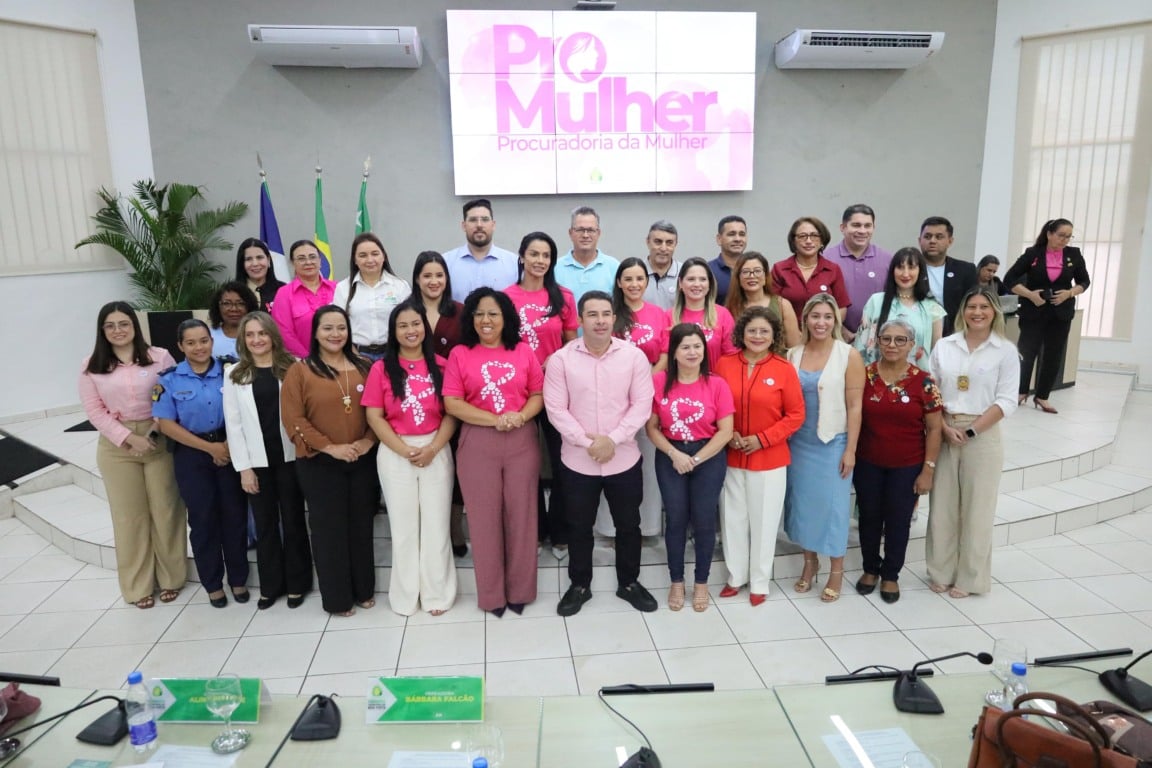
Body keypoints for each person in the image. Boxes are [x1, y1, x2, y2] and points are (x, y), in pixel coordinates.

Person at [546, 291, 658, 617]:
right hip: (578, 462)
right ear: (580, 320)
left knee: (629, 525)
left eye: (605, 314)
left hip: (623, 459)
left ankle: (629, 583)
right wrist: (588, 441)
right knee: (579, 526)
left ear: (614, 318)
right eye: (592, 314)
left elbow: (641, 405)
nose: (600, 320)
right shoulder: (561, 360)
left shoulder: (634, 357)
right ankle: (579, 585)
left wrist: (613, 439)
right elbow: (556, 409)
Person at [443, 288, 544, 617]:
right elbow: (453, 403)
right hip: (478, 443)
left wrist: (520, 416)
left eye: (494, 314)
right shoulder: (461, 353)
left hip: (521, 439)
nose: (486, 320)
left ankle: (521, 591)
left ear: (506, 318)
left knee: (522, 516)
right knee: (484, 520)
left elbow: (537, 393)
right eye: (479, 314)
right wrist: (494, 419)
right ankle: (491, 596)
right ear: (471, 319)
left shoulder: (524, 351)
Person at [78, 302, 186, 609]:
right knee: (130, 518)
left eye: (123, 323)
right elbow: (94, 411)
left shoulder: (159, 356)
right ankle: (138, 586)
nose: (117, 330)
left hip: (159, 437)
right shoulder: (91, 365)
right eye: (110, 325)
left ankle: (171, 579)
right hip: (117, 448)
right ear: (102, 331)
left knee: (167, 511)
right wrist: (127, 437)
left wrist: (152, 431)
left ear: (134, 326)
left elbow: (171, 392)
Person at [280, 306, 379, 616]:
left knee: (361, 527)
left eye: (341, 327)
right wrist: (331, 448)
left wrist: (366, 441)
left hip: (362, 459)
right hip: (319, 464)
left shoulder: (365, 366)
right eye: (328, 329)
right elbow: (293, 419)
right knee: (329, 532)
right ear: (316, 333)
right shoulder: (300, 370)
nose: (336, 334)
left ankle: (364, 589)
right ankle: (337, 599)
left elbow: (379, 410)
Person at [364, 303, 458, 616]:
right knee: (403, 528)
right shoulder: (381, 368)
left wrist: (432, 448)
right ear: (394, 332)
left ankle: (437, 594)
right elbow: (374, 417)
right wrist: (403, 450)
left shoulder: (443, 366)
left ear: (424, 327)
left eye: (415, 323)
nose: (410, 330)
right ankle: (406, 596)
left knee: (436, 525)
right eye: (402, 325)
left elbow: (451, 414)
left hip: (436, 448)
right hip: (395, 452)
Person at [927, 287, 1020, 597]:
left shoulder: (1005, 351)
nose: (977, 312)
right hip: (944, 428)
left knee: (978, 509)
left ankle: (970, 578)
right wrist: (942, 426)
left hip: (982, 433)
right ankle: (941, 570)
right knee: (942, 506)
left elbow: (1006, 401)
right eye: (971, 307)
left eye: (984, 307)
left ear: (995, 312)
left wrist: (970, 432)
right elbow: (930, 393)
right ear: (962, 312)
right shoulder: (944, 346)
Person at [153, 319, 249, 608]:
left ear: (212, 341)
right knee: (203, 519)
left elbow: (246, 409)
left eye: (204, 340)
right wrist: (210, 448)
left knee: (234, 516)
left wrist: (227, 447)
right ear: (181, 346)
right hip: (192, 454)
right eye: (191, 342)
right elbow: (166, 424)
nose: (199, 347)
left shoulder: (231, 370)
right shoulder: (168, 380)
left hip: (231, 448)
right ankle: (212, 583)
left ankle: (238, 579)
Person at [223, 311, 313, 610]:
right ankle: (271, 585)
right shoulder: (235, 373)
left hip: (290, 458)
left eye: (261, 333)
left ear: (272, 335)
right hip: (257, 463)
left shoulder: (293, 367)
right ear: (243, 339)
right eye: (250, 335)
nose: (256, 339)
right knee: (264, 525)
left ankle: (298, 584)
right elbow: (233, 425)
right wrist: (244, 469)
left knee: (294, 521)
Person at [714, 307, 804, 605]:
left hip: (770, 459)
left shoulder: (783, 367)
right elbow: (715, 404)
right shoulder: (724, 364)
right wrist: (731, 434)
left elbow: (795, 415)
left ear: (773, 335)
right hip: (730, 455)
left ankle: (760, 582)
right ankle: (735, 576)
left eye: (764, 331)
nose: (757, 336)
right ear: (742, 333)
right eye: (752, 330)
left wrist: (762, 439)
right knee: (732, 519)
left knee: (764, 523)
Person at [854, 318, 943, 605]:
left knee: (898, 521)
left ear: (911, 345)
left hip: (907, 466)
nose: (892, 345)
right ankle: (870, 568)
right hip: (867, 462)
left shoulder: (924, 381)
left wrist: (928, 469)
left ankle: (891, 573)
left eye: (899, 340)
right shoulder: (863, 375)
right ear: (877, 341)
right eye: (886, 338)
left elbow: (935, 428)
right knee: (868, 518)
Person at [646, 324, 734, 613]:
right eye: (685, 347)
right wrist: (674, 453)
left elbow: (725, 432)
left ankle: (701, 582)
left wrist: (694, 459)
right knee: (676, 518)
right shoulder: (659, 381)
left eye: (697, 346)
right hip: (670, 454)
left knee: (704, 519)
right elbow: (652, 428)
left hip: (707, 455)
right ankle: (676, 580)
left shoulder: (717, 384)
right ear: (674, 352)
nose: (692, 352)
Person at [784, 294, 865, 603]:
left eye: (827, 317)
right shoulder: (793, 353)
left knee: (833, 508)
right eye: (815, 316)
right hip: (798, 443)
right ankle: (809, 563)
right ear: (805, 319)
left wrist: (851, 450)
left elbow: (855, 406)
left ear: (836, 320)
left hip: (833, 443)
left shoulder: (848, 355)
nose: (821, 322)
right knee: (802, 506)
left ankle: (836, 570)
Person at [504, 232, 578, 560]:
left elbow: (572, 343)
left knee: (563, 461)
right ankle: (533, 530)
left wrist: (555, 358)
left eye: (546, 255)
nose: (539, 261)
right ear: (521, 257)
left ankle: (561, 531)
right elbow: (501, 344)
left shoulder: (563, 296)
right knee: (525, 465)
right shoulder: (505, 297)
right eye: (533, 254)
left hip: (555, 388)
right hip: (517, 391)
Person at [599, 257, 667, 540]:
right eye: (628, 279)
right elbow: (602, 355)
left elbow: (664, 356)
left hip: (649, 399)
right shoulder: (611, 314)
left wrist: (643, 385)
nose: (634, 284)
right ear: (619, 282)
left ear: (646, 282)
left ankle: (649, 526)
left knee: (649, 464)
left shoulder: (659, 313)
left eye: (640, 278)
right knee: (612, 462)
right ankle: (609, 527)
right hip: (615, 401)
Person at [411, 250, 468, 557]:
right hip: (415, 400)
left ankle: (455, 527)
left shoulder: (459, 311)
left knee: (454, 466)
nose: (434, 281)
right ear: (417, 279)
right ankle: (426, 531)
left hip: (454, 399)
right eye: (427, 275)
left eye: (439, 275)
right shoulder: (406, 311)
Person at [1004, 218, 1091, 414]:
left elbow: (1084, 281)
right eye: (1061, 235)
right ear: (1049, 234)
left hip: (1061, 313)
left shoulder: (1073, 255)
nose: (1064, 240)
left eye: (1068, 236)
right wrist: (1030, 295)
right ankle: (1020, 392)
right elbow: (1010, 279)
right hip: (1034, 310)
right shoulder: (1033, 254)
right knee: (1026, 353)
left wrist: (1070, 293)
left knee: (1053, 355)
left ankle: (1042, 396)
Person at [853, 247, 945, 370]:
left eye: (911, 267)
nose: (905, 273)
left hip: (917, 379)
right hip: (876, 378)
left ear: (920, 271)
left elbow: (936, 351)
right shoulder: (876, 301)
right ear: (892, 271)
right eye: (900, 267)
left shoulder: (932, 307)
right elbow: (861, 344)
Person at [333, 233, 412, 362]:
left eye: (375, 254)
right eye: (363, 255)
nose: (370, 260)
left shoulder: (400, 286)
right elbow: (337, 326)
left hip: (394, 355)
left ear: (384, 256)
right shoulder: (343, 288)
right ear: (355, 260)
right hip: (356, 356)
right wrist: (355, 356)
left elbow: (409, 324)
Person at [824, 204, 893, 341]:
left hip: (876, 340)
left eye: (868, 226)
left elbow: (893, 301)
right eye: (856, 225)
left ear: (873, 228)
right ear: (843, 228)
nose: (862, 231)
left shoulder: (887, 259)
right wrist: (840, 330)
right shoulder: (826, 258)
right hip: (834, 338)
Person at [771, 216, 850, 324]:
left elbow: (841, 308)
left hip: (823, 335)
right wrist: (793, 334)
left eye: (814, 236)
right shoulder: (779, 269)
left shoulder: (833, 270)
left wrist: (825, 332)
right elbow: (773, 308)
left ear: (822, 240)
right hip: (788, 337)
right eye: (802, 236)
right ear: (793, 241)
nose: (808, 241)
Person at [444, 198, 520, 302]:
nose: (479, 225)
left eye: (485, 219)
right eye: (473, 220)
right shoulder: (446, 263)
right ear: (464, 226)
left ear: (493, 225)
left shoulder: (514, 264)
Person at [271, 240, 337, 358]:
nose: (308, 262)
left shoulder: (337, 288)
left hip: (340, 359)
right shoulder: (284, 293)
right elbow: (284, 333)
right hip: (303, 362)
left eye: (312, 257)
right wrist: (308, 360)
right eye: (301, 258)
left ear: (320, 260)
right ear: (293, 263)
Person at [668, 257, 737, 369]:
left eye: (703, 279)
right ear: (680, 283)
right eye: (691, 279)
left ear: (710, 284)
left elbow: (732, 356)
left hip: (716, 383)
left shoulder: (723, 314)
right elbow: (665, 359)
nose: (697, 284)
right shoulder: (668, 317)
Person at [725, 251, 801, 348]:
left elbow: (794, 346)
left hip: (777, 361)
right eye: (746, 272)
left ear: (766, 276)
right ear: (738, 278)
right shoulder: (731, 309)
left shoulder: (782, 305)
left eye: (757, 271)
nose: (752, 276)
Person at [918, 216, 978, 336]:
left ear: (950, 241)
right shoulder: (909, 270)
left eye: (939, 237)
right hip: (917, 335)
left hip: (954, 335)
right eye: (927, 237)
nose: (932, 241)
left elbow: (973, 305)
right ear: (920, 240)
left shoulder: (965, 270)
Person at [557, 206, 619, 301]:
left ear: (598, 233)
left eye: (590, 230)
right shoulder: (555, 268)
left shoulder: (614, 267)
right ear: (570, 233)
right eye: (580, 230)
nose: (585, 235)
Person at [208, 281, 259, 360]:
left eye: (241, 303)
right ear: (217, 306)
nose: (234, 309)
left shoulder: (260, 336)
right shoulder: (208, 337)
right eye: (227, 303)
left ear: (249, 306)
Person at [234, 237, 286, 311]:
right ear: (242, 264)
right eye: (248, 259)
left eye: (259, 257)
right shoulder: (233, 292)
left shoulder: (283, 290)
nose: (255, 263)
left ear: (268, 260)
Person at [642, 220, 681, 310]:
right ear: (648, 242)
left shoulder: (685, 273)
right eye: (658, 242)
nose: (663, 248)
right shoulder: (636, 273)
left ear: (676, 244)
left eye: (669, 243)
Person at [709, 215, 747, 305]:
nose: (737, 239)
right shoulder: (708, 270)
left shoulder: (755, 270)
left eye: (742, 234)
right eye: (731, 234)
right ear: (719, 239)